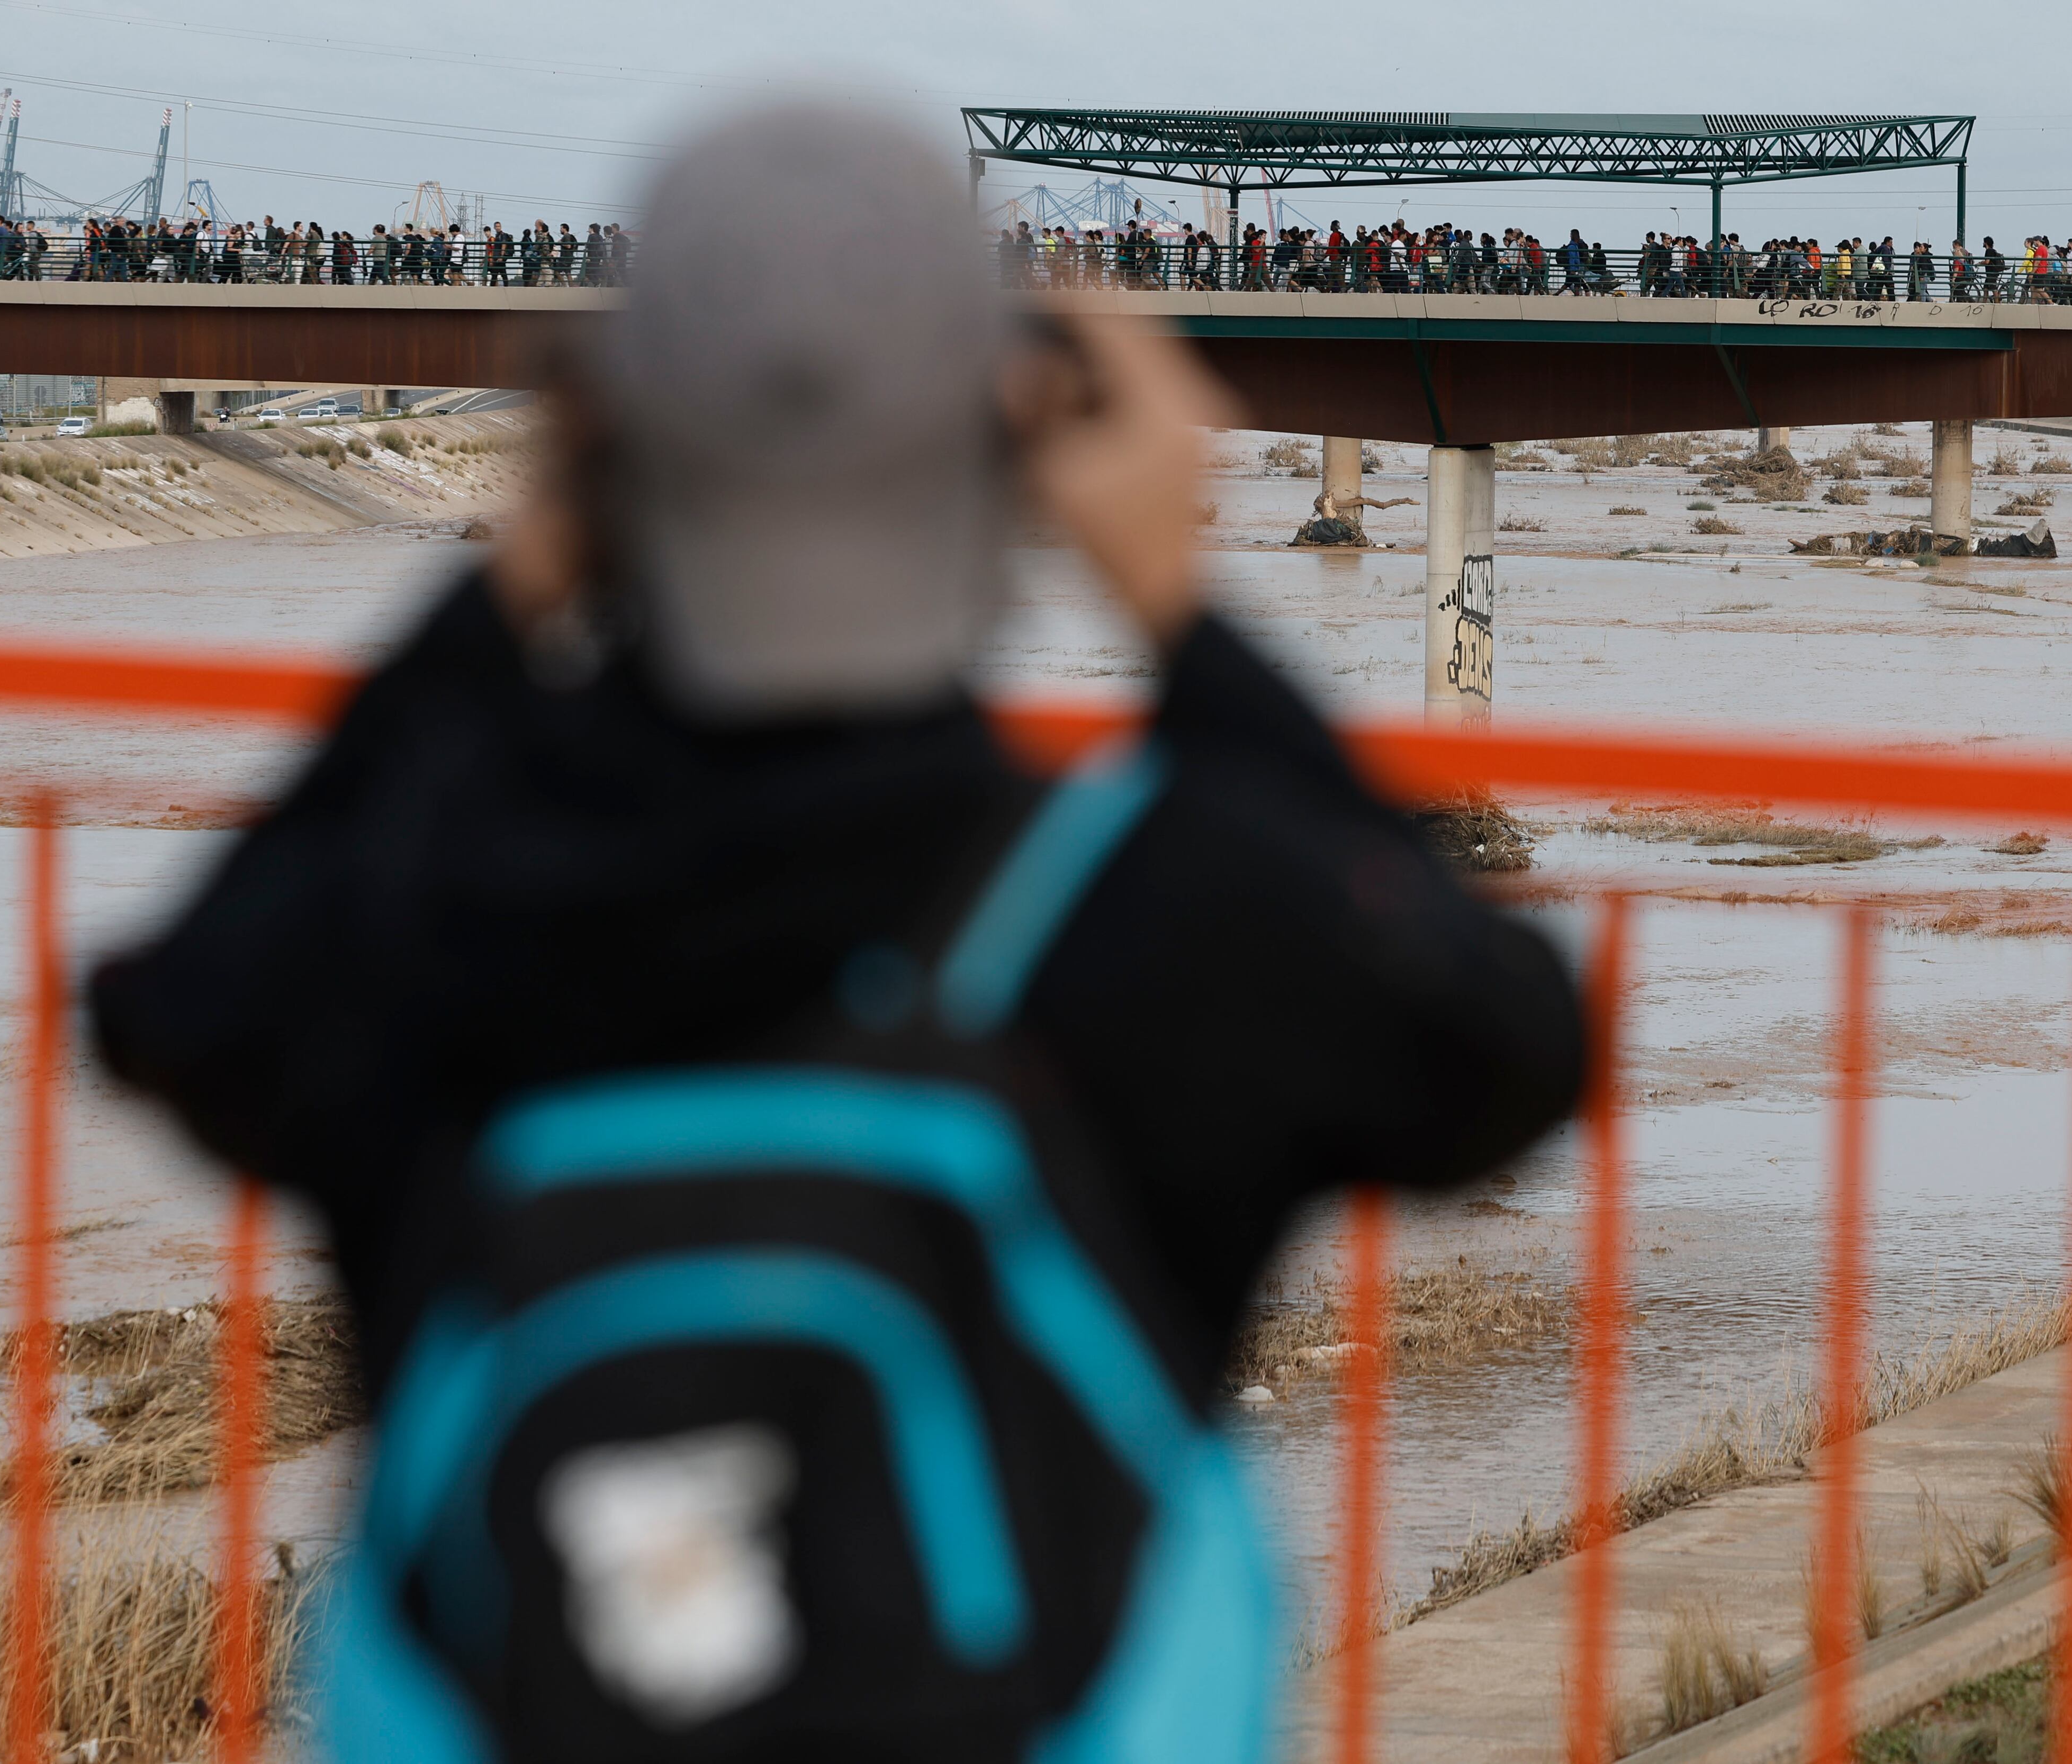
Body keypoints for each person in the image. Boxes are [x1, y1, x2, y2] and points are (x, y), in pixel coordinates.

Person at [88, 101, 1582, 1764]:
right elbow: (1509, 1043)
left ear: (598, 435)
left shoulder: (439, 898)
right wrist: (1179, 606)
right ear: (1013, 439)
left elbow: (175, 1008)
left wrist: (502, 591)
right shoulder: (1168, 904)